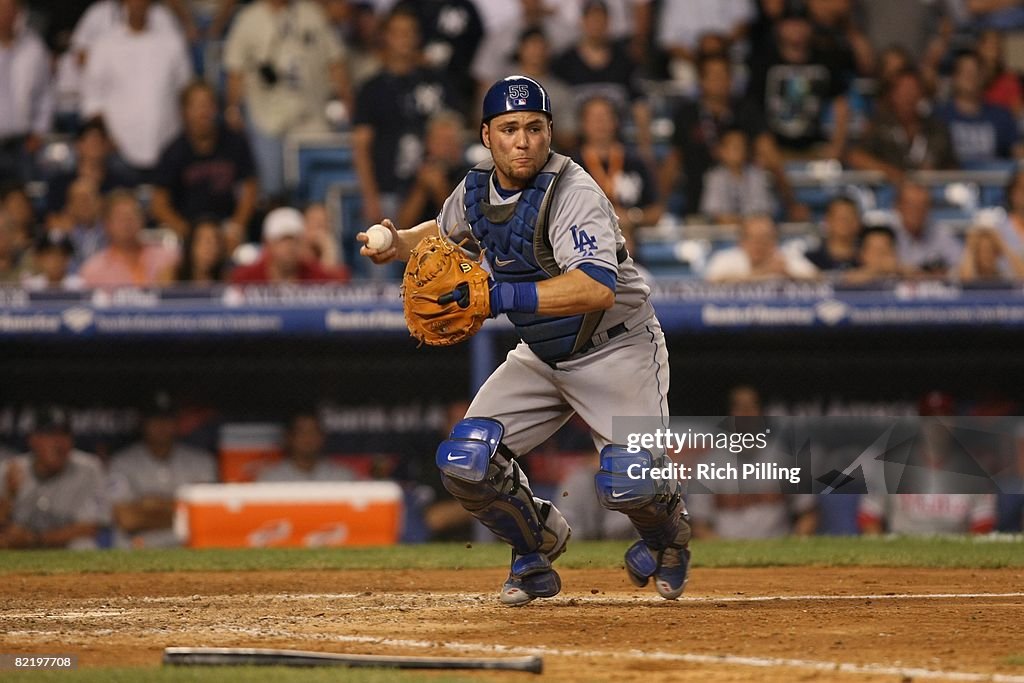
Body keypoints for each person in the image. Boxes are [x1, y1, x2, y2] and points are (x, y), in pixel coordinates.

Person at [357, 75, 690, 605]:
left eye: (534, 128)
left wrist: (495, 297)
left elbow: (595, 289)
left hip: (616, 348)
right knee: (465, 461)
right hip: (542, 353)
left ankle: (668, 534)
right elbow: (441, 235)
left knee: (630, 482)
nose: (523, 140)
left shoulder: (573, 191)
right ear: (487, 135)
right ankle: (536, 545)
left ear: (550, 132)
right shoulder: (475, 189)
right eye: (509, 128)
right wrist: (397, 242)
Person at [223, 0, 353, 199]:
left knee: (318, 185)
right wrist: (232, 107)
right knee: (272, 189)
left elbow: (335, 60)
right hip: (266, 118)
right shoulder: (249, 19)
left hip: (311, 116)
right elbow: (235, 70)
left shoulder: (312, 14)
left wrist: (348, 101)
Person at [352, 6, 454, 225]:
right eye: (398, 33)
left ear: (418, 37)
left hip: (435, 188)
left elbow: (452, 130)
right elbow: (361, 146)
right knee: (383, 253)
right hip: (388, 189)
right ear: (386, 37)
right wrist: (370, 198)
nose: (405, 39)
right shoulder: (371, 88)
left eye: (410, 32)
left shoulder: (436, 82)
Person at [79, 0, 192, 183]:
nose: (138, 4)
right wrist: (105, 138)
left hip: (168, 149)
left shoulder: (171, 42)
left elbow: (185, 91)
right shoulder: (105, 45)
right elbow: (92, 99)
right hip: (118, 151)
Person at [686, 385, 818, 540]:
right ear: (729, 415)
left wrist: (796, 544)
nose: (746, 414)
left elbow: (808, 513)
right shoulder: (708, 464)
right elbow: (699, 525)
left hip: (778, 548)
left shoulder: (784, 458)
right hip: (728, 551)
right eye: (739, 408)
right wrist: (727, 552)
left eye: (751, 407)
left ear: (761, 413)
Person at [150, 80, 258, 248]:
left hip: (228, 228)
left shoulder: (235, 143)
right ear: (184, 112)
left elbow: (250, 189)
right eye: (196, 105)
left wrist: (236, 227)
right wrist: (188, 233)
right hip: (188, 232)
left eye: (208, 104)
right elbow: (158, 204)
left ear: (216, 108)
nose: (203, 112)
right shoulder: (173, 151)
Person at [107, 393, 217, 548]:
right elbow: (127, 519)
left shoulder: (202, 461)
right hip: (138, 547)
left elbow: (206, 517)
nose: (162, 425)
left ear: (177, 422)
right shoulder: (121, 462)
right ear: (143, 423)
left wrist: (150, 506)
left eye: (167, 419)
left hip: (187, 545)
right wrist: (182, 509)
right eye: (155, 419)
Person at [0, 406, 110, 550]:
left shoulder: (89, 469)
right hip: (19, 549)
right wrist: (9, 497)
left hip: (64, 548)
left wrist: (35, 539)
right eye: (50, 434)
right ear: (33, 439)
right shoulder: (10, 470)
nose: (58, 443)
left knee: (83, 545)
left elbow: (90, 527)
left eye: (64, 434)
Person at [574, 95, 661, 247]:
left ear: (616, 122)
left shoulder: (636, 162)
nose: (600, 123)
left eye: (605, 117)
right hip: (585, 247)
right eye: (594, 118)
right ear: (583, 124)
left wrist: (632, 217)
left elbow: (656, 212)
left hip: (632, 249)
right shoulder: (570, 165)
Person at [847, 68, 957, 184]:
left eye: (912, 90)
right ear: (893, 95)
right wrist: (890, 172)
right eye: (903, 90)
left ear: (920, 94)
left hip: (931, 189)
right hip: (889, 189)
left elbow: (952, 165)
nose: (908, 96)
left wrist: (936, 174)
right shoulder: (879, 126)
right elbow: (856, 156)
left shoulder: (936, 128)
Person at [79, 190, 179, 287]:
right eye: (121, 217)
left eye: (132, 215)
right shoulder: (93, 270)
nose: (127, 222)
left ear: (142, 219)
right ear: (107, 224)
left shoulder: (167, 258)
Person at [0, 0, 53, 183]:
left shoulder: (34, 48)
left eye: (10, 9)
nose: (5, 15)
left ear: (19, 13)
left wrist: (39, 132)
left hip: (22, 144)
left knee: (25, 200)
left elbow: (45, 94)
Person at [935, 51, 1020, 165]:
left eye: (975, 72)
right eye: (965, 72)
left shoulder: (1001, 116)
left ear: (983, 77)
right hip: (949, 180)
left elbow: (1018, 152)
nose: (970, 77)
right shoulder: (939, 117)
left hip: (994, 179)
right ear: (955, 78)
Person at [230, 206, 349, 283]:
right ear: (268, 243)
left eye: (294, 240)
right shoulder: (246, 278)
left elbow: (340, 285)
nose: (289, 247)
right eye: (282, 240)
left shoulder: (312, 273)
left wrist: (328, 251)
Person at [704, 214, 818, 283]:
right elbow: (711, 282)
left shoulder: (786, 257)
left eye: (765, 238)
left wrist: (789, 275)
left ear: (774, 240)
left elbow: (817, 278)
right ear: (742, 241)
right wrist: (763, 272)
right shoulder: (726, 258)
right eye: (753, 238)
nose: (759, 244)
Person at [699, 127, 776, 224]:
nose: (739, 151)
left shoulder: (757, 176)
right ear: (722, 151)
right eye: (734, 147)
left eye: (742, 146)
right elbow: (716, 215)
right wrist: (741, 223)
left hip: (754, 233)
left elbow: (761, 213)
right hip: (724, 234)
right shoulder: (714, 177)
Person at [889, 182, 962, 277]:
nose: (916, 212)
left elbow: (962, 266)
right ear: (898, 207)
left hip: (932, 290)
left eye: (922, 206)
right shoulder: (885, 233)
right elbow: (875, 266)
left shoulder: (940, 234)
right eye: (911, 206)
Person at [257, 412, 356, 482]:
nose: (308, 438)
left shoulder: (341, 476)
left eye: (313, 432)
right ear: (289, 438)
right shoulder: (271, 478)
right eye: (302, 432)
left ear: (322, 437)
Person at [842, 223, 916, 285]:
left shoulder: (901, 273)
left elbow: (923, 276)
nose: (880, 254)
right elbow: (846, 280)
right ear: (862, 254)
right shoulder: (854, 277)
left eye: (885, 249)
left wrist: (899, 270)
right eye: (875, 250)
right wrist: (879, 269)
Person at [805, 196, 861, 272]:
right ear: (827, 220)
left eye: (850, 217)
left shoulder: (867, 259)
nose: (845, 222)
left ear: (857, 221)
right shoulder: (810, 260)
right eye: (840, 218)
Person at [958, 224, 1024, 284]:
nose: (986, 256)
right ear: (975, 254)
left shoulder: (1005, 276)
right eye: (981, 251)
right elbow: (965, 282)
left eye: (990, 251)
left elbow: (1022, 275)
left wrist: (1002, 244)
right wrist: (970, 247)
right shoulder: (966, 272)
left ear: (997, 253)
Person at [174, 218, 230, 283]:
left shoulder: (227, 276)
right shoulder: (173, 275)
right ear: (191, 245)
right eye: (207, 241)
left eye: (217, 242)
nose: (212, 247)